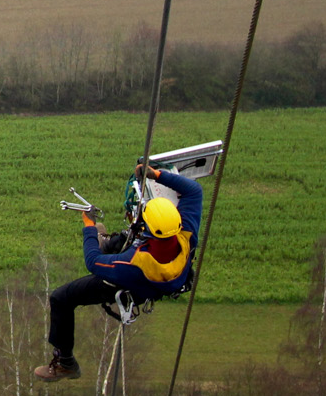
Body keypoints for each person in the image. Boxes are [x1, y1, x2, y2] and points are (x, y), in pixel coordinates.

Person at [34, 162, 204, 381]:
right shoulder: (185, 232)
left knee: (61, 298)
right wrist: (156, 174)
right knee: (121, 240)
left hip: (130, 284)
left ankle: (65, 363)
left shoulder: (133, 263)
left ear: (149, 229)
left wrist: (88, 226)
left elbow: (93, 262)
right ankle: (105, 242)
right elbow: (194, 190)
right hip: (168, 275)